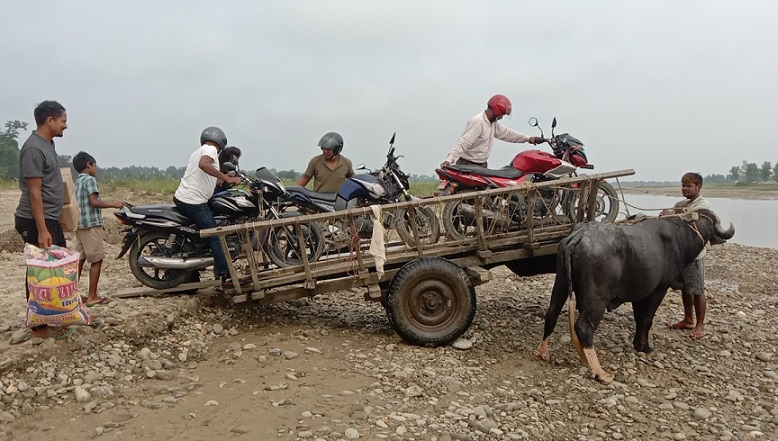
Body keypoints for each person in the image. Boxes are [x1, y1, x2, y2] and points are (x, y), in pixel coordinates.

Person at [14, 100, 71, 340]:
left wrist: (58, 219)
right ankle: (38, 327)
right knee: (38, 271)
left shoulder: (49, 144)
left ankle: (53, 315)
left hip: (48, 218)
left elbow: (49, 187)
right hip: (33, 220)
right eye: (63, 121)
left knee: (56, 268)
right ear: (50, 120)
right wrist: (42, 229)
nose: (65, 126)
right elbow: (35, 192)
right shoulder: (33, 149)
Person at [173, 127, 241, 287]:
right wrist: (225, 176)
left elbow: (210, 180)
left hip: (188, 198)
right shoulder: (210, 150)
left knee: (218, 224)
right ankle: (225, 275)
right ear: (220, 140)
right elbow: (204, 165)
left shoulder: (199, 151)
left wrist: (228, 179)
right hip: (193, 201)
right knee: (215, 234)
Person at [72, 151, 125, 307]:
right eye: (95, 165)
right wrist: (114, 204)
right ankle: (92, 295)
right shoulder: (90, 180)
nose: (96, 168)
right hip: (90, 225)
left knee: (79, 260)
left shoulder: (77, 182)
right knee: (97, 259)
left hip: (79, 225)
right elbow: (94, 202)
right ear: (89, 165)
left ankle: (71, 294)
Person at [663, 172, 711, 339]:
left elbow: (690, 220)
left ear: (698, 187)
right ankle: (688, 319)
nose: (685, 189)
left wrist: (672, 215)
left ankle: (699, 325)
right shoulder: (681, 203)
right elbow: (674, 216)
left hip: (694, 255)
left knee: (697, 289)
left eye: (689, 186)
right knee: (685, 288)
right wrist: (667, 214)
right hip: (681, 254)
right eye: (683, 185)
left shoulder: (703, 205)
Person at [441, 94, 542, 168]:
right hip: (468, 165)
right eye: (502, 114)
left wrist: (528, 138)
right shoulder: (478, 122)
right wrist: (449, 160)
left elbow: (507, 134)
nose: (502, 117)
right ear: (497, 110)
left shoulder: (492, 124)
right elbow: (463, 142)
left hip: (481, 166)